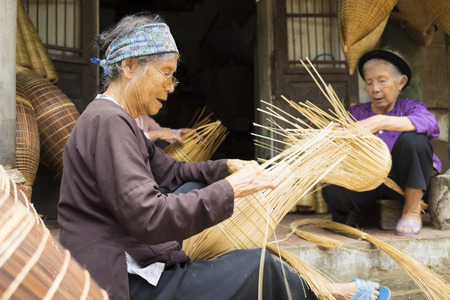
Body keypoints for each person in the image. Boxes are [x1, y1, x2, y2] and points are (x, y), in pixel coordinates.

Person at [58, 12, 390, 300]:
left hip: (133, 255)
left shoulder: (117, 119)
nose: (171, 85)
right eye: (164, 72)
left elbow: (170, 172)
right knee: (258, 268)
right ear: (129, 66)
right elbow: (147, 218)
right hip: (123, 280)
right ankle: (324, 294)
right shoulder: (108, 122)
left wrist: (225, 167)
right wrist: (231, 190)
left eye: (173, 75)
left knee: (193, 192)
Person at [323, 49, 441, 235]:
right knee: (331, 189)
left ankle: (411, 210)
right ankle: (354, 215)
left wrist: (380, 121)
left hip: (406, 180)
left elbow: (431, 124)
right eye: (369, 83)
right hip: (370, 182)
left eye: (382, 81)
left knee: (415, 141)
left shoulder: (410, 106)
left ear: (400, 82)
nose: (374, 88)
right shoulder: (356, 114)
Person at [378, 7, 437, 101]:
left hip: (409, 77)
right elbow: (377, 43)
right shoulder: (386, 8)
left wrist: (403, 22)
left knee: (411, 113)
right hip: (385, 75)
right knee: (385, 114)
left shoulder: (425, 11)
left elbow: (426, 40)